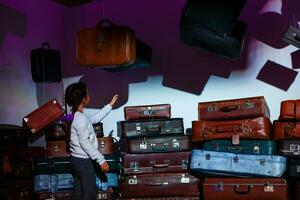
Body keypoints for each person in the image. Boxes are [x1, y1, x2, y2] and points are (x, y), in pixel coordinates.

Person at [64, 82, 118, 200]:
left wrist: (110, 105)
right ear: (84, 99)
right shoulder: (80, 119)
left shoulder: (77, 117)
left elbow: (94, 119)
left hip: (76, 161)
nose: (89, 95)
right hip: (83, 162)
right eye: (87, 94)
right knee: (89, 195)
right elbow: (85, 142)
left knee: (79, 194)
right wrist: (101, 160)